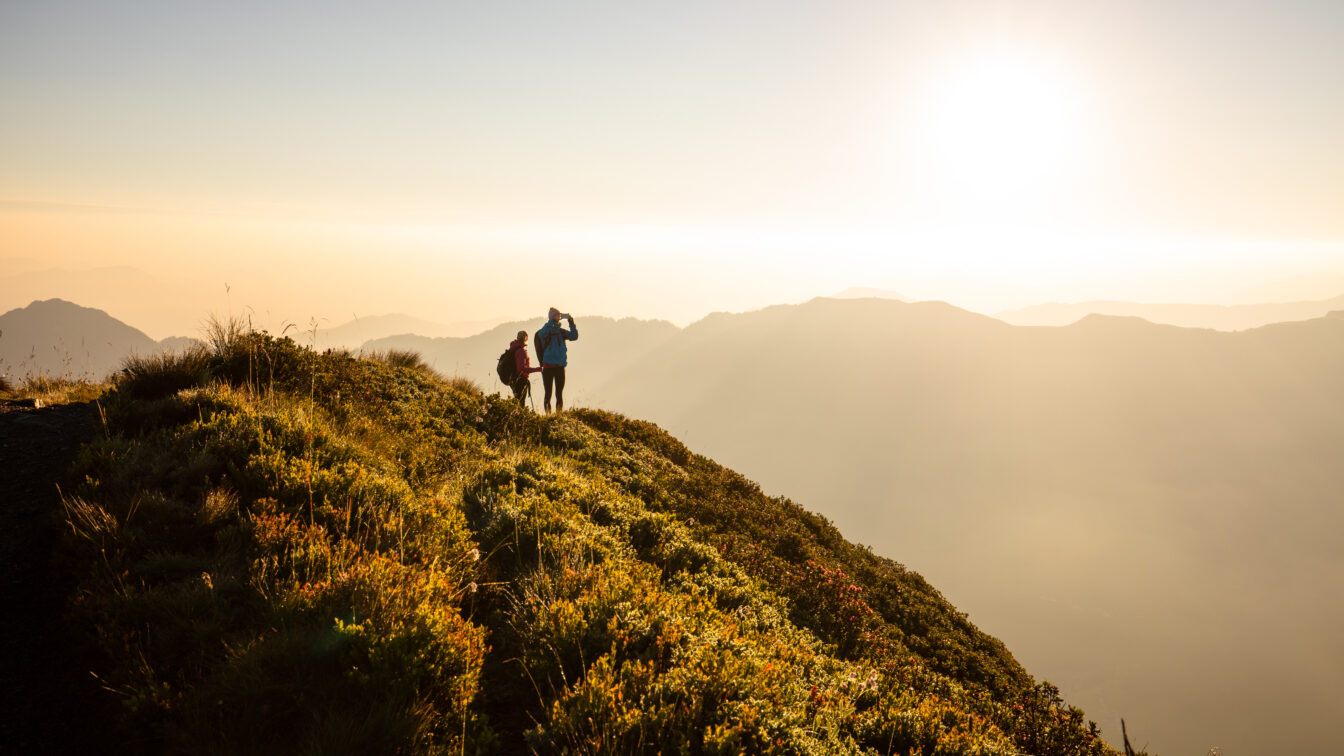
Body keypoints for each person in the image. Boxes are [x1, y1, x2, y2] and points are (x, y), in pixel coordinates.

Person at [534, 307, 578, 413]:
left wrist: (571, 323)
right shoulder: (548, 330)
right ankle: (556, 416)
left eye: (560, 315)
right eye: (558, 315)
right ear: (553, 317)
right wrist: (570, 323)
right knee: (557, 394)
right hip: (558, 367)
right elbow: (574, 336)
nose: (560, 317)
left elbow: (574, 337)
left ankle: (550, 416)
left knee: (549, 394)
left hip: (549, 367)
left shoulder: (556, 331)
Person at [507, 330, 542, 406]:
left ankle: (514, 415)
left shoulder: (513, 348)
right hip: (521, 380)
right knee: (521, 403)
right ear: (526, 338)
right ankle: (519, 417)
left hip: (513, 379)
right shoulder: (521, 351)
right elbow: (521, 368)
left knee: (517, 401)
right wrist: (538, 369)